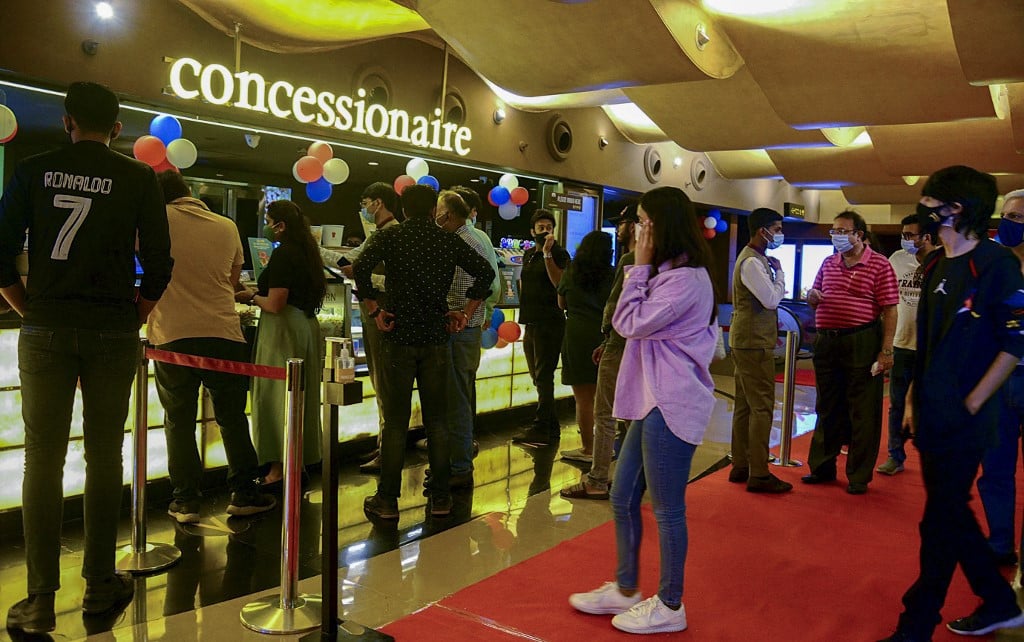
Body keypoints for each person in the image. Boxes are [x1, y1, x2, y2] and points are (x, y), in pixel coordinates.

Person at [0, 81, 173, 633]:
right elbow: (162, 263)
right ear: (117, 129)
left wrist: (30, 310)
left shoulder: (33, 167)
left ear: (67, 120)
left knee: (41, 461)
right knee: (105, 455)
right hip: (111, 331)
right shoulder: (139, 176)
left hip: (46, 326)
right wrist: (133, 315)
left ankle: (40, 600)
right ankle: (100, 584)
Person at [879, 166, 1024, 641]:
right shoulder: (935, 265)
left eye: (929, 202)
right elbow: (926, 342)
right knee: (950, 514)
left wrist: (974, 401)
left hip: (969, 417)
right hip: (932, 411)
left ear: (955, 208)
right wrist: (911, 403)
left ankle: (915, 625)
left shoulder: (998, 263)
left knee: (939, 521)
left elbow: (1015, 342)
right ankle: (1000, 602)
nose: (922, 210)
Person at [569, 186, 718, 635]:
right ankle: (627, 586)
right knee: (622, 493)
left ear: (662, 225)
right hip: (650, 400)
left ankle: (671, 603)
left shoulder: (685, 280)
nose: (635, 229)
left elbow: (627, 321)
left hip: (670, 403)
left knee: (668, 508)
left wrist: (637, 262)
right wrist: (642, 263)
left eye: (642, 221)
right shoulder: (665, 271)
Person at [354, 184, 494, 520]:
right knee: (438, 421)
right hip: (436, 337)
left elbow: (360, 267)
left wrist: (375, 308)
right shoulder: (448, 240)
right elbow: (486, 273)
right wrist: (465, 310)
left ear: (403, 209)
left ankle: (387, 500)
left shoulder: (391, 237)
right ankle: (442, 498)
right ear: (434, 210)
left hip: (398, 335)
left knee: (395, 422)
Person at [151, 170, 275, 522]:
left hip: (172, 334)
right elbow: (232, 279)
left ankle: (186, 501)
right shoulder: (226, 225)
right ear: (189, 192)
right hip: (223, 332)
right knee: (232, 418)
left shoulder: (155, 220)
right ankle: (244, 493)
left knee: (179, 420)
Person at [803, 210, 898, 494]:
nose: (837, 236)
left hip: (862, 339)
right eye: (834, 231)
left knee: (863, 409)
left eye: (843, 231)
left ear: (860, 235)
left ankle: (858, 475)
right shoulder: (828, 262)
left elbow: (890, 309)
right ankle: (822, 467)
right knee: (827, 406)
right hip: (827, 341)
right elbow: (814, 297)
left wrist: (886, 350)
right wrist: (812, 297)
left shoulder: (879, 265)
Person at [235, 200, 326, 487]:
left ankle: (278, 468)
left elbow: (275, 303)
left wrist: (249, 297)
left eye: (270, 220)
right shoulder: (307, 251)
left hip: (282, 331)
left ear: (281, 224)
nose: (269, 226)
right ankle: (296, 460)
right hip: (304, 328)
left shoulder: (284, 253)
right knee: (300, 398)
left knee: (277, 398)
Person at [320, 182, 399, 474]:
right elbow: (352, 261)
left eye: (365, 203)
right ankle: (384, 445)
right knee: (382, 383)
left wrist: (364, 276)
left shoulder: (392, 233)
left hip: (383, 314)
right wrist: (323, 253)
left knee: (385, 384)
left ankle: (388, 451)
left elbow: (393, 280)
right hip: (375, 314)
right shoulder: (379, 235)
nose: (363, 210)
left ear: (378, 203)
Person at [561, 206, 638, 499]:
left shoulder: (631, 261)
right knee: (628, 410)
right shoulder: (640, 263)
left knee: (603, 410)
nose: (619, 229)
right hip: (626, 343)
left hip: (612, 340)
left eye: (623, 223)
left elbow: (616, 307)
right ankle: (633, 473)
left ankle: (598, 476)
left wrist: (608, 335)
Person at [728, 207, 792, 493]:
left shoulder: (756, 259)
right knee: (762, 407)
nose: (780, 234)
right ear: (761, 230)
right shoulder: (752, 262)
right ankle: (759, 472)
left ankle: (741, 465)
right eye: (777, 228)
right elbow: (771, 300)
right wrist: (780, 275)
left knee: (744, 405)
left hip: (746, 341)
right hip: (753, 343)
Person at [434, 189, 496, 488]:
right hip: (468, 328)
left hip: (458, 329)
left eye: (438, 212)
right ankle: (458, 460)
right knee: (461, 395)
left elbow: (485, 281)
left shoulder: (459, 241)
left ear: (448, 214)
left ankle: (458, 468)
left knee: (455, 399)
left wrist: (465, 312)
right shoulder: (478, 238)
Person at [977, 188, 1024, 568]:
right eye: (1008, 216)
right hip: (995, 382)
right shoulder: (989, 264)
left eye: (1021, 218)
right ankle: (1000, 544)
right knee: (995, 471)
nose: (1012, 223)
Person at [876, 213, 938, 477]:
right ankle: (895, 455)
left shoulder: (943, 261)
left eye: (910, 235)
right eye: (903, 235)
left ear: (926, 236)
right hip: (902, 343)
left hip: (932, 348)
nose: (905, 240)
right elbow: (886, 300)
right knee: (897, 404)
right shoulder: (897, 260)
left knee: (932, 404)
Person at [557, 231, 615, 463]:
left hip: (576, 335)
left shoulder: (572, 272)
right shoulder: (613, 275)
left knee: (583, 399)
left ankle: (588, 449)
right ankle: (605, 448)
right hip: (604, 336)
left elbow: (561, 302)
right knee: (606, 399)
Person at [513, 209, 570, 445]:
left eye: (548, 227)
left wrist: (548, 255)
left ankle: (541, 427)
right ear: (532, 231)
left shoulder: (559, 253)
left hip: (551, 322)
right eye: (540, 227)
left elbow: (561, 284)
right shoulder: (528, 255)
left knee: (544, 375)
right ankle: (551, 426)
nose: (545, 230)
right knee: (537, 376)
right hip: (531, 321)